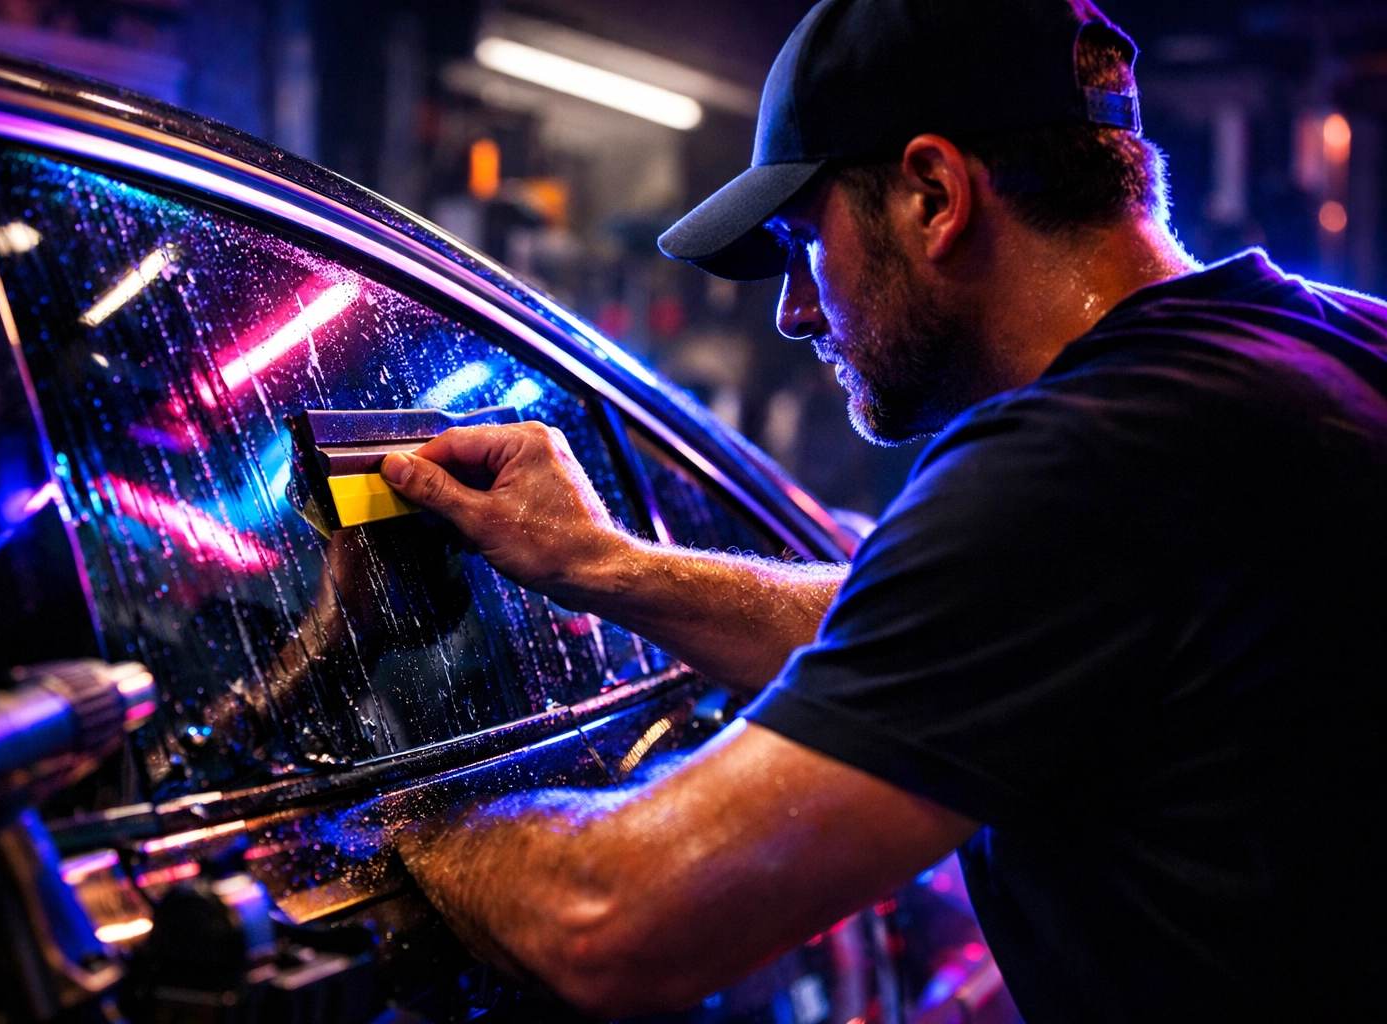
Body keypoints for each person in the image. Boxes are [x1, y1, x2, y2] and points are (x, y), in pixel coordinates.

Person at [377, 0, 1387, 1020]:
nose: (794, 310)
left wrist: (396, 830)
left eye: (801, 239)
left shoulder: (1071, 464)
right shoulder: (1336, 349)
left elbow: (609, 920)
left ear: (935, 195)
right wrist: (603, 564)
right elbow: (981, 627)